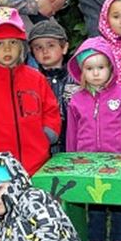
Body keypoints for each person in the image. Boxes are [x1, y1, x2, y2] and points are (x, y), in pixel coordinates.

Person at [0, 7, 61, 175]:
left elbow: (51, 109)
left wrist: (47, 134)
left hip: (37, 165)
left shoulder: (36, 78)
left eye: (13, 42)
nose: (7, 49)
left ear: (22, 46)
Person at [66, 38, 121, 241]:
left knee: (118, 201)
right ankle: (95, 238)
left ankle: (120, 237)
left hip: (119, 159)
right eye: (89, 68)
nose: (96, 73)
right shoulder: (77, 100)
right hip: (89, 161)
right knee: (94, 203)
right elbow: (72, 132)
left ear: (110, 68)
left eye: (101, 67)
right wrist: (73, 159)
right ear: (81, 71)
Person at [27, 19, 78, 156]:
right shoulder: (30, 81)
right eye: (38, 47)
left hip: (72, 143)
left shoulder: (78, 79)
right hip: (43, 146)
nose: (45, 51)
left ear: (64, 47)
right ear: (32, 52)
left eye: (51, 45)